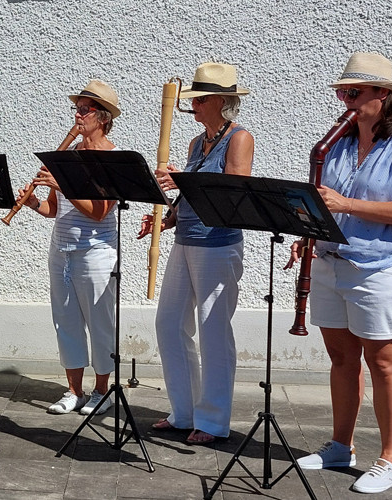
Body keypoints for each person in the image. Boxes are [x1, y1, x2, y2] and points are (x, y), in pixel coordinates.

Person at [287, 52, 392, 494]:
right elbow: (323, 202)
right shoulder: (339, 143)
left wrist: (346, 205)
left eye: (353, 92)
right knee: (341, 358)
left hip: (381, 268)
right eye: (340, 92)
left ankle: (390, 460)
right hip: (332, 261)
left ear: (383, 95)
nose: (344, 99)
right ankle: (340, 446)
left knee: (384, 363)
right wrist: (306, 231)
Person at [139, 63, 253, 445]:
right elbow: (191, 194)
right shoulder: (195, 143)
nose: (194, 106)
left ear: (222, 102)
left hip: (218, 244)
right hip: (186, 239)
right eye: (193, 99)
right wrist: (168, 217)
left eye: (200, 99)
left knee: (213, 331)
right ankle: (184, 411)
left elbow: (232, 194)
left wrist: (184, 180)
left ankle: (214, 420)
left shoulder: (239, 138)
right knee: (169, 324)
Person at [19, 80, 123, 416]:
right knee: (66, 322)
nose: (77, 115)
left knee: (100, 323)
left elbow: (100, 211)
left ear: (102, 117)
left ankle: (102, 390)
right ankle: (73, 390)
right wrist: (33, 202)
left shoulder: (112, 158)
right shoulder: (66, 156)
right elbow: (55, 209)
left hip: (95, 253)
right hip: (61, 250)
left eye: (85, 109)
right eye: (76, 108)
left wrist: (62, 183)